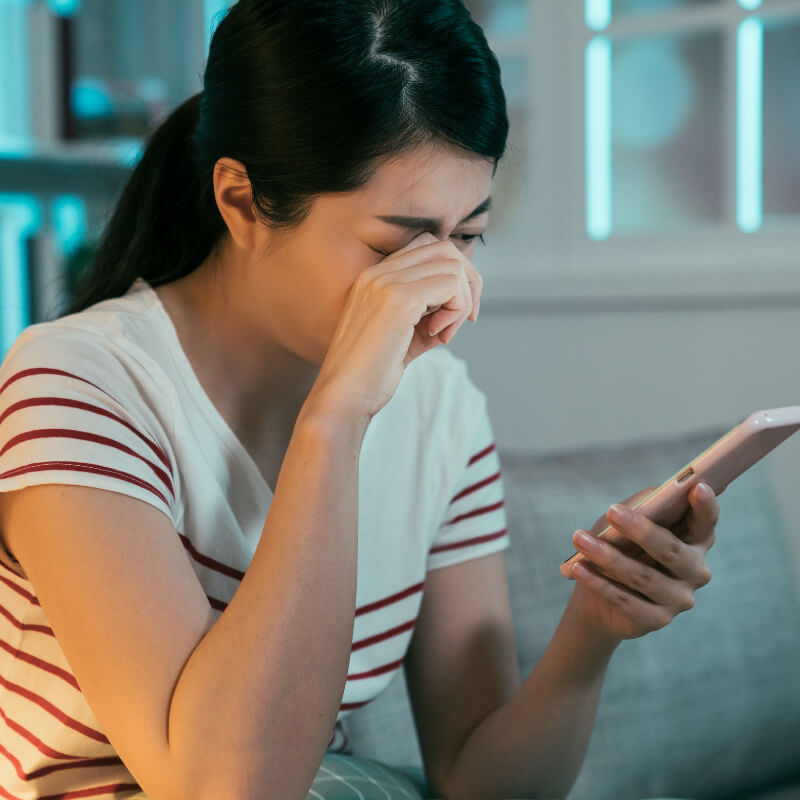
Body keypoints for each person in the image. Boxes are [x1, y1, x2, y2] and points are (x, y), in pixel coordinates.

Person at [0, 1, 719, 798]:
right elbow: (224, 786)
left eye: (469, 236)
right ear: (241, 202)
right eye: (395, 247)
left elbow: (482, 787)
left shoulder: (441, 408)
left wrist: (593, 630)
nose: (448, 291)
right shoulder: (78, 383)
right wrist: (336, 420)